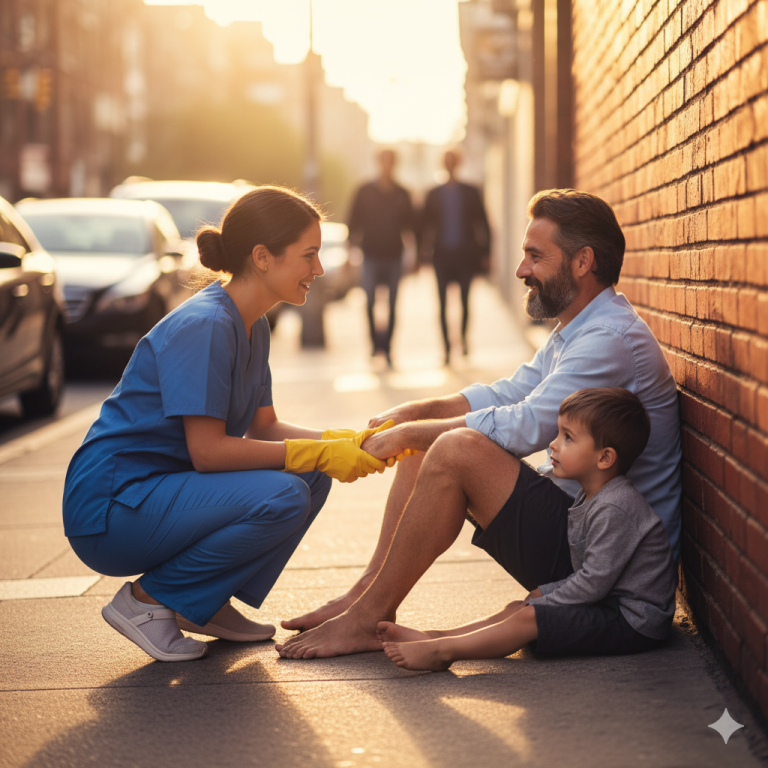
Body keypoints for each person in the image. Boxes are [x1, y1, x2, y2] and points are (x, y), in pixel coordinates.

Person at [276, 188, 681, 660]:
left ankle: (365, 620)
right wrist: (419, 412)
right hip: (579, 527)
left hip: (606, 558)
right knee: (432, 440)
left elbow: (528, 425)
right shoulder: (580, 326)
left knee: (452, 447)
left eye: (535, 256)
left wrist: (415, 432)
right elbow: (510, 391)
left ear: (582, 262)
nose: (521, 270)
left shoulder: (607, 339)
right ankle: (364, 598)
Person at [63, 186, 398, 663]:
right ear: (263, 257)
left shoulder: (251, 323)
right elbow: (210, 452)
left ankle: (200, 603)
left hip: (157, 492)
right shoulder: (207, 325)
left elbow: (266, 428)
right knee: (284, 494)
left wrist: (347, 442)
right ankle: (148, 603)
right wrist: (322, 451)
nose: (319, 270)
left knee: (311, 476)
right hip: (111, 508)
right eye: (309, 255)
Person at [378, 387, 676, 670]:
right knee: (516, 608)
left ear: (605, 458)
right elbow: (593, 578)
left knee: (528, 617)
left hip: (632, 621)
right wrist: (542, 594)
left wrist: (546, 597)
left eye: (568, 438)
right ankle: (437, 638)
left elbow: (594, 582)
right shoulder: (594, 495)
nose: (553, 444)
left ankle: (443, 653)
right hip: (611, 604)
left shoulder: (615, 506)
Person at [420, 148, 491, 364]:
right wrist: (422, 253)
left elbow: (483, 222)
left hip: (465, 256)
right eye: (447, 161)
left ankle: (463, 340)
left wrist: (486, 253)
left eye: (453, 160)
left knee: (465, 302)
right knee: (441, 304)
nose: (450, 164)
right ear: (444, 164)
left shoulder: (470, 191)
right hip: (441, 256)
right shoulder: (433, 193)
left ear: (458, 163)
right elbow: (423, 225)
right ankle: (447, 349)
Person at [348, 149, 416, 366]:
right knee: (369, 302)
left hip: (394, 256)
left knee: (393, 305)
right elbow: (353, 223)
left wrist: (413, 255)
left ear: (394, 164)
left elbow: (411, 227)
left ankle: (387, 349)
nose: (387, 165)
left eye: (390, 162)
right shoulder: (364, 191)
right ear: (378, 163)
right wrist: (349, 254)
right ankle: (374, 345)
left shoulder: (402, 193)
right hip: (370, 256)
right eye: (383, 161)